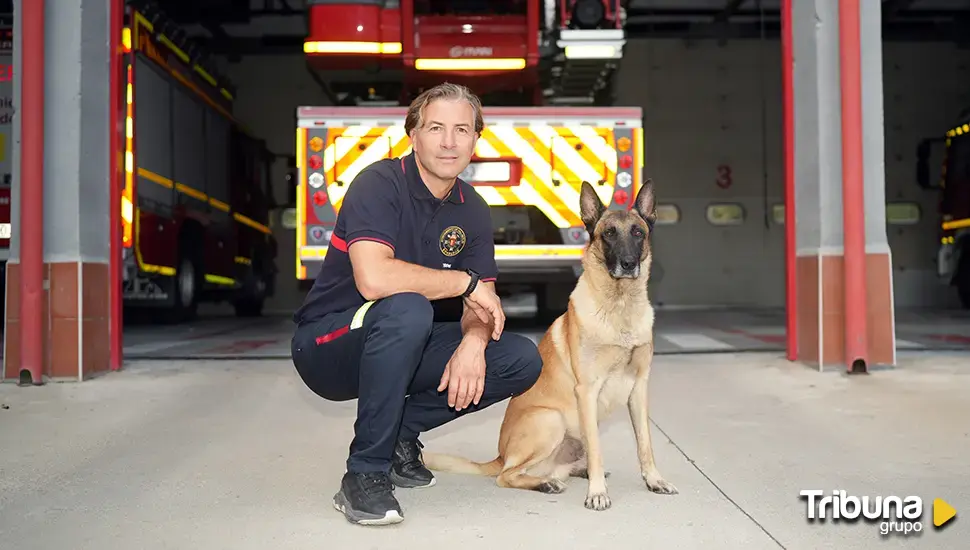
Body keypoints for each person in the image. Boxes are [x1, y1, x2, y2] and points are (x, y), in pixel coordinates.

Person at [290, 82, 543, 526]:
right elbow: (374, 280)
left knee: (520, 358)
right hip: (329, 343)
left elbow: (482, 304)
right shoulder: (379, 183)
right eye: (436, 128)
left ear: (476, 140)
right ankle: (363, 474)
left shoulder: (474, 209)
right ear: (413, 135)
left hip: (405, 336)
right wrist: (464, 284)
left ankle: (400, 434)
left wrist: (473, 343)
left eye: (462, 129)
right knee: (409, 307)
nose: (449, 141)